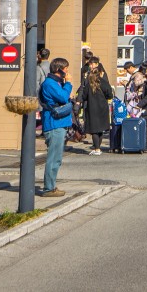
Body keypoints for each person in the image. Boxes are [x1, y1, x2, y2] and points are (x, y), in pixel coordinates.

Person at [38, 57, 73, 197]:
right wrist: (69, 83)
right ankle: (48, 188)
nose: (67, 72)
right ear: (59, 70)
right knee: (54, 158)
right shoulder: (50, 83)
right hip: (54, 124)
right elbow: (64, 98)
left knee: (57, 157)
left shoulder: (56, 82)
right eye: (66, 69)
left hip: (58, 123)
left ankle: (51, 185)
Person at [76, 61, 114, 155]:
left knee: (94, 130)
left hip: (92, 108)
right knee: (100, 129)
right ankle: (98, 148)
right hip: (103, 107)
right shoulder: (104, 83)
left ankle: (97, 149)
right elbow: (110, 95)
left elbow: (84, 96)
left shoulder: (89, 85)